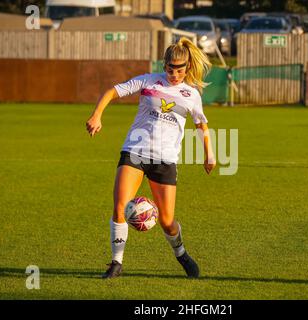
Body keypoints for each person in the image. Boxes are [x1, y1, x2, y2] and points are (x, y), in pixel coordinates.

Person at [86, 37, 216, 279]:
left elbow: (201, 124)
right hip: (134, 151)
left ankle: (182, 254)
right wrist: (97, 115)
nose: (174, 75)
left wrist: (209, 154)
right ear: (163, 65)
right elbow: (114, 91)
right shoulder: (148, 80)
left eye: (179, 70)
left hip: (164, 161)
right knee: (120, 207)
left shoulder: (191, 94)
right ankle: (116, 263)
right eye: (170, 69)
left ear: (187, 68)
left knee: (167, 221)